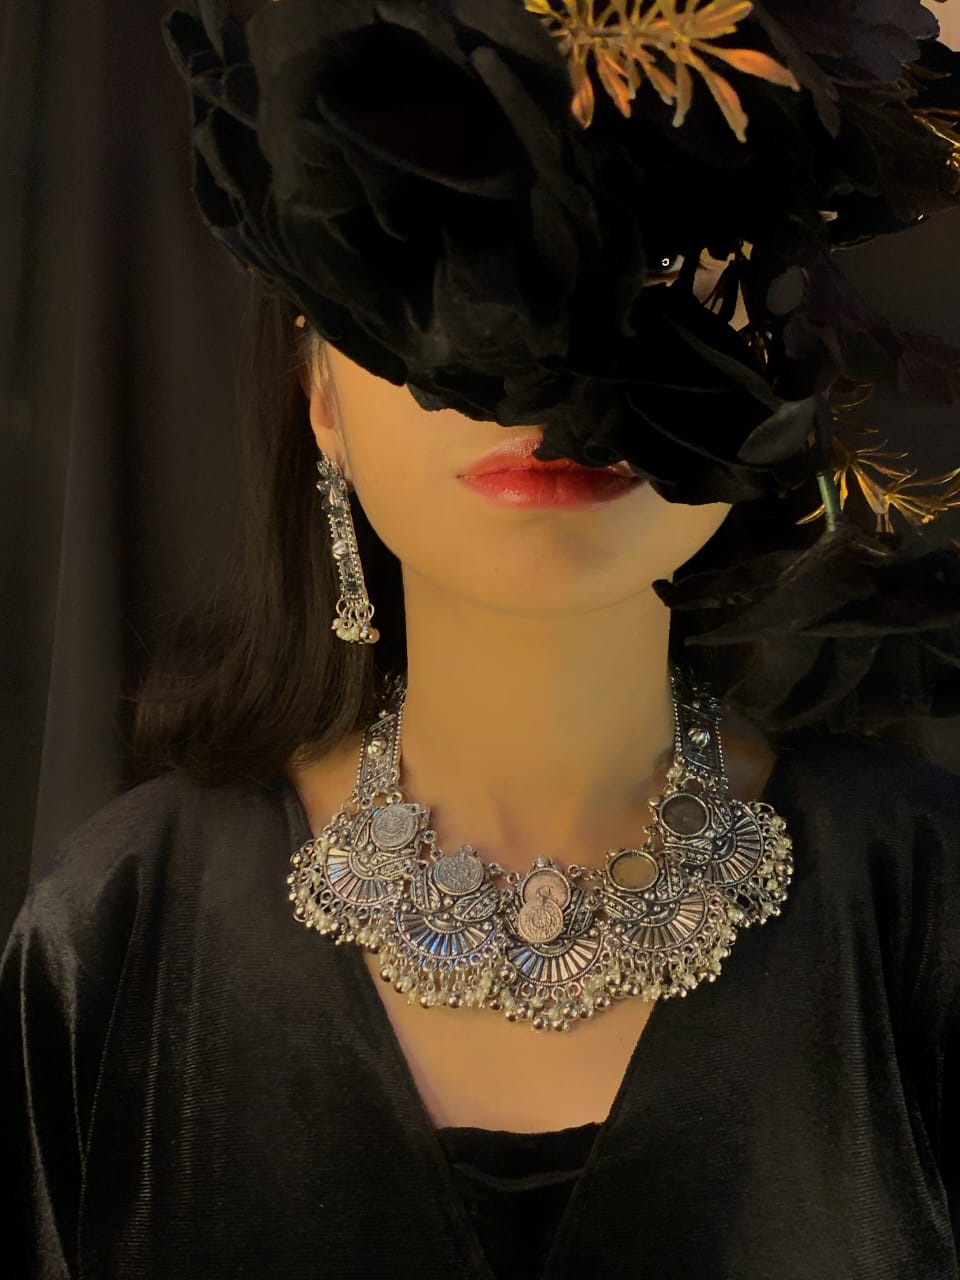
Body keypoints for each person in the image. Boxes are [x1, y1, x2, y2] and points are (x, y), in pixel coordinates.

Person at [5, 1, 960, 1277]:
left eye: (655, 251)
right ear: (317, 381)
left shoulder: (923, 909)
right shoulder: (110, 945)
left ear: (783, 345)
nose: (546, 367)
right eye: (436, 245)